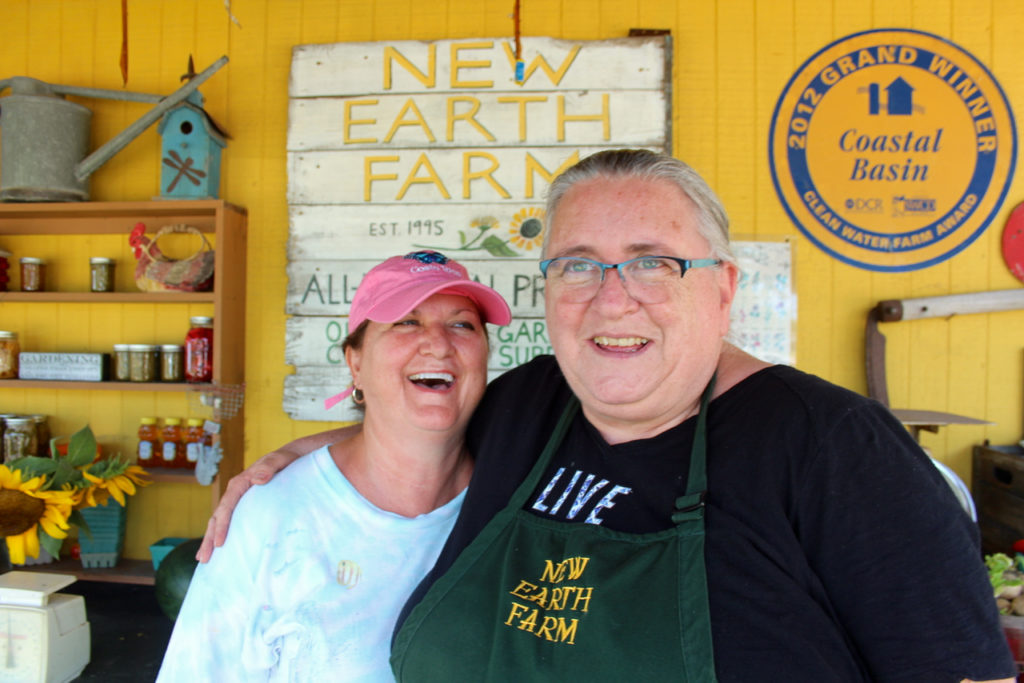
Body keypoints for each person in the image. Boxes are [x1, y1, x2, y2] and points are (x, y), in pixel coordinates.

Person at [202, 150, 1015, 682]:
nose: (612, 295)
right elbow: (416, 414)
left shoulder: (836, 451)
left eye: (654, 263)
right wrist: (297, 459)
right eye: (579, 265)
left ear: (723, 286)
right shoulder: (528, 404)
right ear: (547, 288)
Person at [157, 250, 511, 682]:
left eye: (462, 324)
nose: (438, 343)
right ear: (355, 364)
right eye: (406, 321)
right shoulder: (272, 514)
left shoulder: (518, 497)